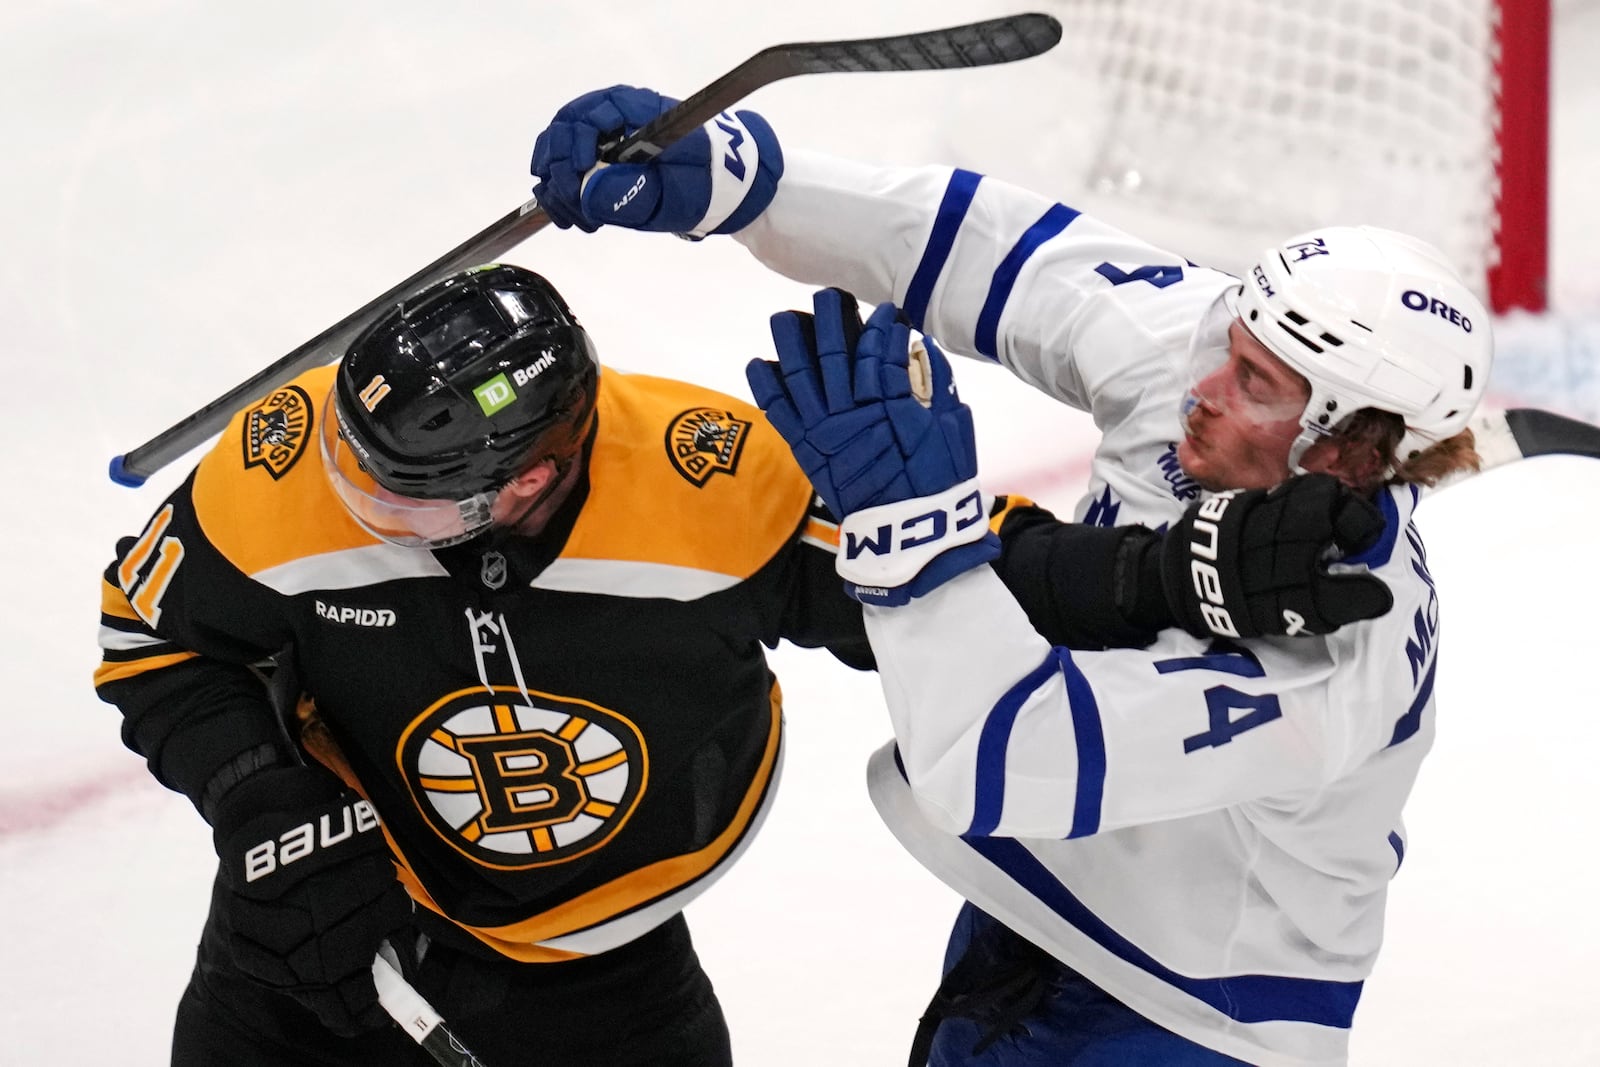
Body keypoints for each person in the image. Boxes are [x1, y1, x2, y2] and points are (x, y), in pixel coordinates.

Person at [95, 263, 1386, 1066]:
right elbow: (151, 639)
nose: (356, 504)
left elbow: (956, 572)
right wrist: (265, 802)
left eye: (408, 501)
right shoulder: (278, 468)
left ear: (532, 475)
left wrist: (1182, 570)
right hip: (308, 949)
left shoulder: (709, 481)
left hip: (611, 985)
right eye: (350, 468)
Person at [527, 86, 1493, 1065]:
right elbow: (988, 247)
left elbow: (997, 755)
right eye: (1228, 346)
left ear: (1346, 448)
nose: (1197, 387)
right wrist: (746, 182)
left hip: (1194, 1015)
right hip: (1034, 909)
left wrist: (911, 524)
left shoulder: (1338, 661)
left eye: (1251, 382)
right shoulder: (1206, 370)